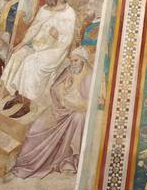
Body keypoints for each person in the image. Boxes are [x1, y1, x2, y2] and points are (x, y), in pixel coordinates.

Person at [7, 48, 91, 180]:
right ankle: (24, 165)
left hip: (74, 113)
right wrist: (62, 91)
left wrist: (71, 101)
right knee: (35, 130)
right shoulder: (68, 70)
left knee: (78, 118)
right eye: (71, 60)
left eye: (76, 60)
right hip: (58, 109)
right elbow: (54, 88)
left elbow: (87, 103)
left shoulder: (90, 77)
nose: (73, 63)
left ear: (84, 61)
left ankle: (66, 160)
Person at [1, 0, 77, 119]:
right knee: (18, 55)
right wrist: (22, 44)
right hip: (37, 45)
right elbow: (34, 28)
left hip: (55, 50)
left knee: (30, 62)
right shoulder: (44, 9)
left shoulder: (68, 12)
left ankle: (27, 105)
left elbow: (68, 39)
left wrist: (58, 35)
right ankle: (19, 95)